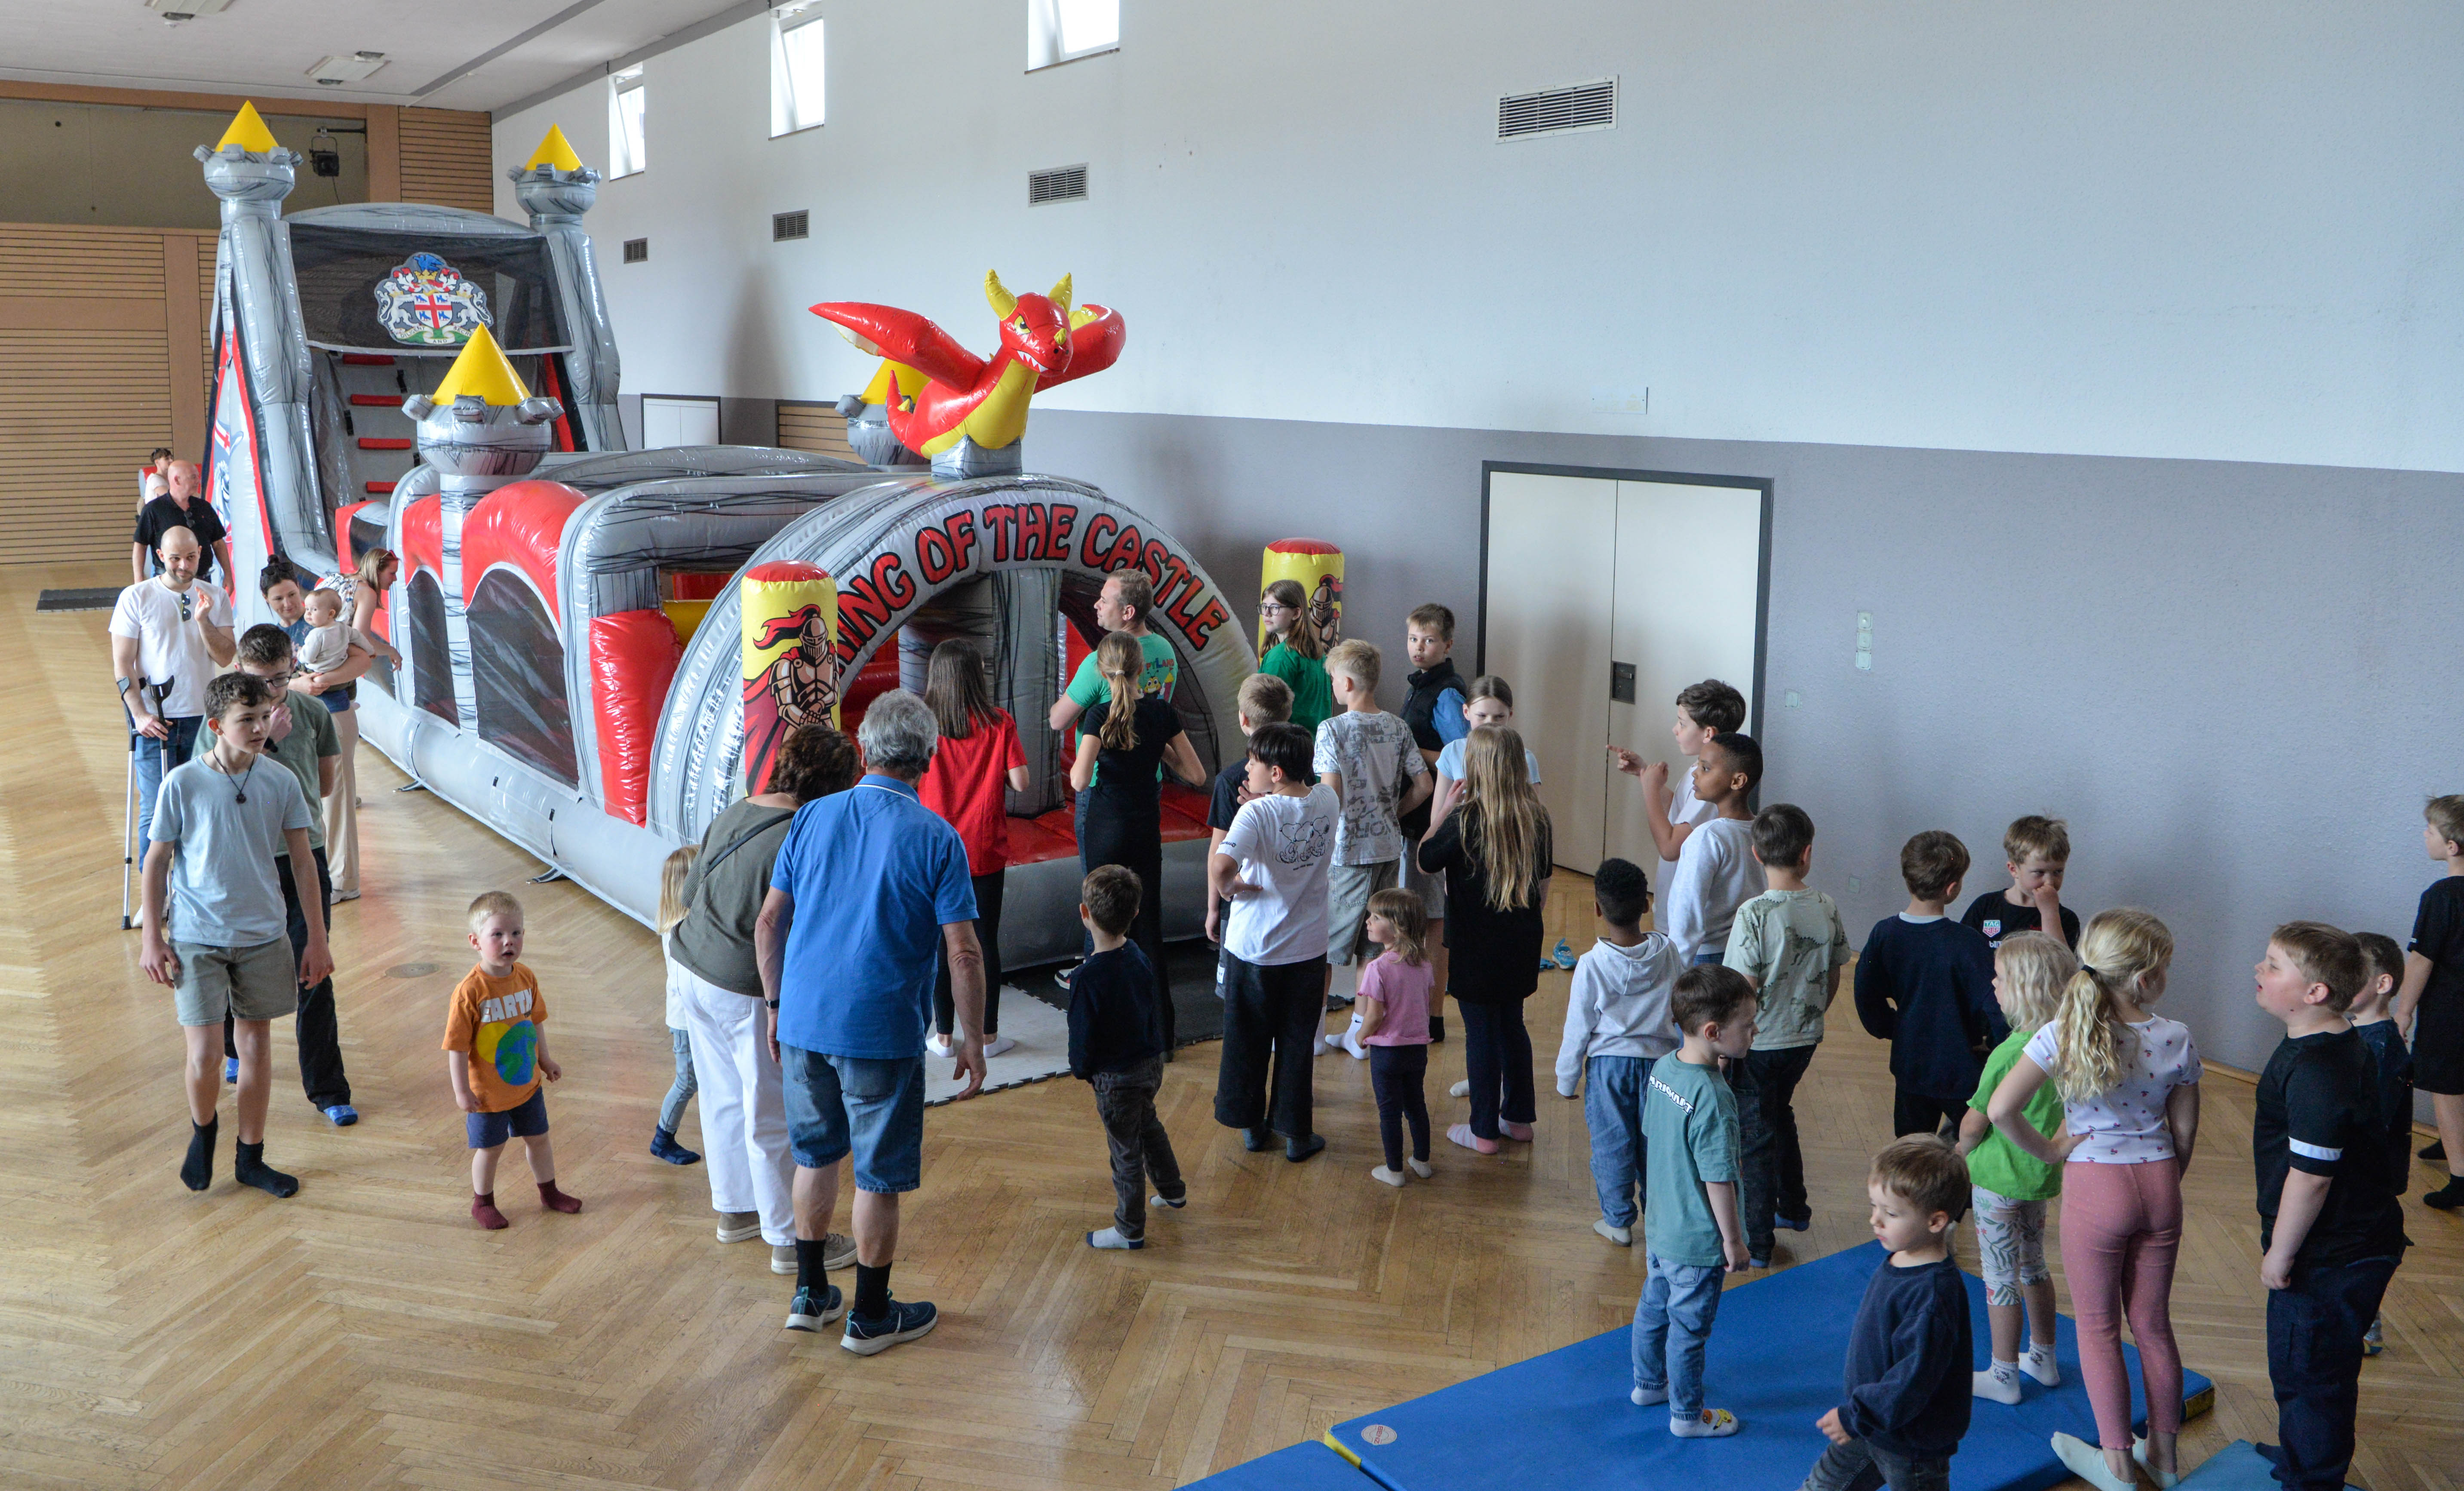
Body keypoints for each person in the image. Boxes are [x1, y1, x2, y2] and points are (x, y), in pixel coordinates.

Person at [756, 690, 988, 1353]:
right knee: (877, 1175)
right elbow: (963, 952)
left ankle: (809, 1294)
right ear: (929, 758)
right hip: (880, 1031)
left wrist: (776, 1004)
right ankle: (872, 1314)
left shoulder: (811, 815)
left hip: (803, 1020)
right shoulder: (937, 838)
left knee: (814, 1155)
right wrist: (971, 1037)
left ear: (863, 748)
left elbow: (769, 921)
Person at [1986, 909, 2199, 1491]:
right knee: (2153, 1325)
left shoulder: (2063, 1031)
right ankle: (2164, 1457)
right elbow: (2184, 1132)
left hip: (2095, 1187)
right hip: (2159, 1182)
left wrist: (2051, 1151)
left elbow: (2001, 1109)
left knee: (2099, 1328)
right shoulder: (2175, 1035)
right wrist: (2165, 1179)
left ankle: (2116, 1464)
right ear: (2145, 977)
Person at [672, 726, 861, 1278]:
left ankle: (736, 1211)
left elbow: (689, 893)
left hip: (690, 968)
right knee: (772, 1110)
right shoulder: (803, 832)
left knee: (723, 1098)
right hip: (746, 987)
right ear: (834, 785)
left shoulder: (738, 809)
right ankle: (787, 1238)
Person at [138, 672, 330, 1198]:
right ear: (217, 725)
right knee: (204, 1055)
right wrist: (152, 937)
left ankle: (251, 1156)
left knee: (257, 1048)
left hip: (264, 934)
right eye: (247, 719)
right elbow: (156, 861)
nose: (261, 727)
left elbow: (304, 863)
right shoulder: (183, 783)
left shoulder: (281, 781)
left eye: (265, 716)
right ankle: (204, 1130)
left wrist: (317, 938)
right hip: (197, 936)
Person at [2249, 922, 2409, 1491]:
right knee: (2306, 1370)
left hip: (2329, 1253)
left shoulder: (2319, 1068)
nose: (2258, 969)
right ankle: (2303, 1453)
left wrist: (2280, 1251)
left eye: (2273, 964)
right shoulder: (2329, 1038)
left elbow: (2312, 1176)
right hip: (2345, 1242)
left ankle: (2312, 1476)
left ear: (2315, 991)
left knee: (2312, 1374)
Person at [199, 624, 353, 1126]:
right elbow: (214, 793)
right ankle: (233, 1047)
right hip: (242, 859)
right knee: (236, 960)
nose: (272, 690)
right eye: (260, 681)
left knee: (315, 972)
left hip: (302, 856)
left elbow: (325, 785)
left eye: (281, 679)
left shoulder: (312, 713)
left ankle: (328, 1089)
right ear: (239, 671)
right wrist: (266, 744)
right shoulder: (222, 722)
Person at [1801, 1136, 1975, 1491]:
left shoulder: (1932, 1296)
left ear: (1936, 1221)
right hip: (1872, 1425)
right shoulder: (1902, 1255)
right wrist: (1863, 1416)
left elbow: (1912, 1379)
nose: (1875, 1220)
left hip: (1910, 1445)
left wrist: (1856, 1416)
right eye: (1874, 1206)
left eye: (1891, 1213)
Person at [1631, 964, 1754, 1439]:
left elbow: (1656, 1131)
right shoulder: (1715, 1098)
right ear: (1714, 1032)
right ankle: (1687, 1415)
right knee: (1689, 1331)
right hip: (1698, 1241)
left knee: (1653, 1308)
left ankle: (1648, 1384)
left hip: (1661, 1225)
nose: (1754, 1032)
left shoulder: (1665, 1068)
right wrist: (1733, 1241)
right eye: (1748, 1024)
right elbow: (1719, 1176)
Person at [1724, 802, 1853, 1250]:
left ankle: (1758, 1240)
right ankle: (1794, 1207)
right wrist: (1813, 1015)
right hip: (1805, 1038)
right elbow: (1833, 973)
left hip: (1759, 1044)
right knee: (1779, 1113)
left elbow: (1743, 989)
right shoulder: (1826, 906)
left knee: (1755, 1136)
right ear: (1807, 854)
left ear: (1756, 854)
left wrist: (1727, 1046)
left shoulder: (1754, 913)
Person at [1210, 721, 1340, 1162]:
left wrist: (1230, 889)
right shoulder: (1328, 798)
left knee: (1246, 1040)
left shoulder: (1255, 814)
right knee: (1296, 1043)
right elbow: (1296, 810)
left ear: (1277, 772)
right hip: (1308, 948)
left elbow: (1221, 866)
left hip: (1255, 949)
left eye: (1254, 762)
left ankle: (1252, 1128)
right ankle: (1297, 1134)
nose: (1247, 768)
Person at [1419, 726, 1552, 1155]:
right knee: (1512, 1025)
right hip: (1522, 943)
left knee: (1480, 1034)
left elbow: (1424, 859)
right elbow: (1544, 884)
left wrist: (1444, 810)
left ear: (1475, 768)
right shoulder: (1537, 818)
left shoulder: (1464, 819)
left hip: (1475, 946)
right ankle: (1518, 1118)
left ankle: (1483, 1130)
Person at [1072, 632, 1207, 1052]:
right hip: (1145, 827)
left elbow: (1079, 780)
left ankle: (1105, 1034)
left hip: (1105, 826)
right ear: (1141, 668)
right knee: (1148, 926)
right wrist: (1159, 750)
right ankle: (1161, 1037)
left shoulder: (1098, 715)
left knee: (1103, 927)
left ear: (1102, 671)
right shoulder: (1161, 712)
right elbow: (1197, 774)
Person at [1956, 931, 2074, 1404]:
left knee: (1999, 1277)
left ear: (2025, 990)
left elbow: (1975, 1121)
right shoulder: (2068, 1043)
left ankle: (2003, 1374)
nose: (1994, 983)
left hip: (1996, 1182)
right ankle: (2043, 1357)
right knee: (2034, 1265)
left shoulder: (2012, 1052)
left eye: (2001, 977)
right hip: (2037, 1179)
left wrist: (1959, 1154)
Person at [1555, 857, 1681, 1245]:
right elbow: (1683, 1009)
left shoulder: (1591, 964)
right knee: (1656, 1147)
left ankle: (1619, 1222)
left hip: (1609, 1070)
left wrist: (1566, 1079)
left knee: (1613, 1145)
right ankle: (1659, 1219)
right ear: (1646, 904)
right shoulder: (1670, 953)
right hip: (1662, 1066)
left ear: (1598, 909)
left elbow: (1578, 1028)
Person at [1315, 640, 1431, 1054]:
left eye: (1334, 679)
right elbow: (1424, 785)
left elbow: (1331, 795)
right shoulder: (1398, 727)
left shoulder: (1332, 729)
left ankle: (1313, 1035)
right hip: (1387, 845)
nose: (1333, 686)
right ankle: (1359, 1036)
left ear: (1346, 683)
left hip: (1347, 851)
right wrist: (1392, 813)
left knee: (1326, 950)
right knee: (1373, 944)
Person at [917, 639, 1029, 1059]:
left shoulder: (922, 725)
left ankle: (944, 1037)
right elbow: (1021, 782)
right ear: (975, 677)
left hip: (932, 849)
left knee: (939, 943)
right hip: (982, 848)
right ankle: (988, 1036)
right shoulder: (999, 722)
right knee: (983, 942)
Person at [1856, 832, 2006, 1138]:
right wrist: (2000, 1046)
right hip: (1963, 1070)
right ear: (1952, 889)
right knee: (1974, 1147)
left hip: (1910, 1065)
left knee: (1911, 1148)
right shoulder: (1968, 943)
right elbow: (1996, 1005)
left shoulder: (1884, 934)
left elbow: (1866, 996)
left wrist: (1895, 1028)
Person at [445, 892, 582, 1229]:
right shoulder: (469, 992)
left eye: (517, 932)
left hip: (527, 1084)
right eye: (498, 934)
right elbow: (457, 1047)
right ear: (475, 941)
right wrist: (462, 1091)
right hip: (487, 1095)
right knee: (491, 1149)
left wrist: (545, 1059)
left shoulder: (526, 977)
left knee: (540, 1139)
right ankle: (483, 1202)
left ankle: (549, 1191)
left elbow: (535, 1022)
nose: (510, 941)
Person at [1069, 866, 1185, 1249]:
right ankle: (1172, 1189)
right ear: (1135, 913)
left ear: (1085, 913)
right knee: (1148, 1126)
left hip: (1116, 1080)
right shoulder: (1138, 955)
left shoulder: (1086, 978)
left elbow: (1082, 1039)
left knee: (1125, 1154)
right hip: (1149, 1066)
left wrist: (1082, 1070)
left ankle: (1129, 1229)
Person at [1432, 675, 1539, 1070]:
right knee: (1494, 1018)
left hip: (1504, 894)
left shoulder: (1522, 758)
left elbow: (1534, 827)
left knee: (1498, 1019)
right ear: (1466, 713)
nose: (1490, 724)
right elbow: (1437, 828)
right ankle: (1496, 1091)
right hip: (1474, 889)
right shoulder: (1453, 754)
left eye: (1498, 717)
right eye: (1482, 717)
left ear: (1511, 715)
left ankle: (1489, 1098)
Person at [112, 526, 235, 869]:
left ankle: (192, 886)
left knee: (200, 807)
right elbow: (123, 663)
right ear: (160, 556)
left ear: (200, 554)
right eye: (176, 558)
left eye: (191, 557)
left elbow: (226, 655)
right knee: (156, 809)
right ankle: (154, 893)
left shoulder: (215, 596)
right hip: (155, 721)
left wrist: (203, 621)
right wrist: (139, 714)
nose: (184, 565)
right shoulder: (136, 597)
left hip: (204, 720)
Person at [259, 561, 373, 904]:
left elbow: (364, 659)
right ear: (267, 601)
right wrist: (297, 685)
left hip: (332, 714)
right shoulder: (269, 636)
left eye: (292, 595)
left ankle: (344, 878)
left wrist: (323, 681)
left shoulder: (327, 621)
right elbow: (257, 680)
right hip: (289, 723)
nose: (288, 604)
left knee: (336, 797)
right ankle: (309, 874)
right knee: (302, 800)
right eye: (279, 599)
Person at [1399, 603, 1470, 1041]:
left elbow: (1462, 755)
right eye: (1413, 639)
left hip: (1434, 821)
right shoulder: (1422, 684)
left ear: (1447, 645)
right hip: (1416, 820)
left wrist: (1406, 747)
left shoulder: (1446, 693)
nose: (1419, 647)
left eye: (1428, 640)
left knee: (1434, 919)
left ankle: (1433, 1015)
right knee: (1421, 915)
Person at [2392, 794, 2464, 1209]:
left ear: (2451, 846)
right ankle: (2452, 1140)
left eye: (2431, 831)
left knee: (2447, 1090)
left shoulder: (2442, 895)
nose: (2425, 835)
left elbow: (2422, 959)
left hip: (2450, 1011)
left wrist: (2403, 1011)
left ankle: (2461, 1175)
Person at [327, 547, 405, 902]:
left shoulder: (337, 579)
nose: (395, 580)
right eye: (392, 573)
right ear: (378, 569)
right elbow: (361, 640)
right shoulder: (367, 592)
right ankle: (344, 877)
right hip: (338, 680)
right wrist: (391, 651)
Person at [2347, 932, 2411, 1358]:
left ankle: (2365, 1325)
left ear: (2382, 984)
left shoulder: (2383, 1047)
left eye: (2352, 973)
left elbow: (2377, 1121)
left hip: (2368, 1176)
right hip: (2356, 1171)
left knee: (2360, 1250)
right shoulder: (2355, 1034)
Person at [1610, 677, 1748, 873]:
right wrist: (1644, 774)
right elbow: (1681, 809)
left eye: (1682, 724)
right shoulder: (1700, 769)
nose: (1675, 729)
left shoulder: (1711, 784)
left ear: (1708, 734)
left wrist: (1650, 790)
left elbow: (1670, 849)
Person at [1357, 886, 1438, 1187]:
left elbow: (1374, 1016)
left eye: (1376, 917)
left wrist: (1360, 1037)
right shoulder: (1424, 964)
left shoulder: (1377, 968)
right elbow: (1425, 1003)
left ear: (1398, 927)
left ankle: (1394, 1170)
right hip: (1417, 1048)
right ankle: (1422, 1161)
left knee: (1389, 1112)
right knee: (1416, 1105)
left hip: (1387, 1052)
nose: (1368, 921)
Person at [1205, 673, 1292, 947]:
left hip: (1243, 897)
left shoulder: (1231, 780)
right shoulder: (1300, 773)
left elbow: (1218, 849)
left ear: (1243, 719)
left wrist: (1213, 908)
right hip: (1290, 893)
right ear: (1288, 716)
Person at [1662, 732, 1762, 966]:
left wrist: (1676, 970)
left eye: (1706, 768)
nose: (1695, 773)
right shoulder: (1763, 830)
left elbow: (1687, 913)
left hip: (1706, 957)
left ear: (1738, 781)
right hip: (1748, 952)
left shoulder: (1707, 837)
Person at [1048, 569, 1178, 738]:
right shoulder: (1166, 649)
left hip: (1101, 755)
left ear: (1128, 613)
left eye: (1104, 601)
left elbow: (1058, 722)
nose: (1096, 605)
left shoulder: (1101, 661)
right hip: (1151, 754)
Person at [651, 846, 704, 1166]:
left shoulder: (679, 923)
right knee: (687, 1082)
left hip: (694, 1016)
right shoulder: (682, 930)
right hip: (685, 1020)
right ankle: (663, 1138)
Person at [1960, 816, 2080, 950]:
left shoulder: (2065, 918)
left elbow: (2062, 961)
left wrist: (2050, 914)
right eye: (2039, 873)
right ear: (2014, 870)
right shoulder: (1986, 907)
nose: (2049, 883)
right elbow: (1961, 951)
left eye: (2058, 872)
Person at [131, 458, 232, 590]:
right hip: (167, 583)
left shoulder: (204, 507)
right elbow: (141, 545)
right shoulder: (153, 510)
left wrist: (228, 575)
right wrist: (139, 581)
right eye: (193, 477)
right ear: (177, 480)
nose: (198, 481)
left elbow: (218, 543)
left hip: (202, 581)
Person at [1257, 578, 1334, 737]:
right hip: (1315, 745)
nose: (1267, 613)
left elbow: (1267, 714)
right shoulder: (1318, 654)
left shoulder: (1280, 657)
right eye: (1264, 607)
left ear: (1296, 613)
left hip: (1286, 745)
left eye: (1275, 608)